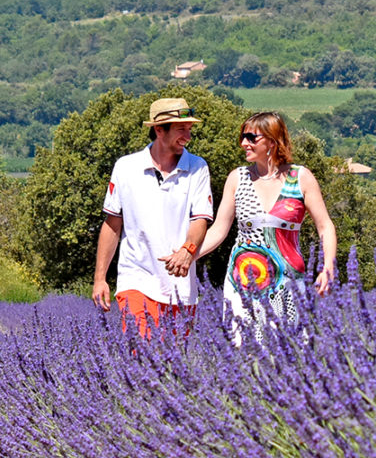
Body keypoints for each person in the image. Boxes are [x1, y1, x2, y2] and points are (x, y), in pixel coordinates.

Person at [198, 111, 337, 341]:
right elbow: (219, 231)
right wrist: (188, 255)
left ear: (273, 141)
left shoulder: (300, 177)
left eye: (252, 138)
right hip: (241, 282)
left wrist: (328, 268)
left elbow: (326, 227)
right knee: (243, 353)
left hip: (288, 282)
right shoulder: (237, 178)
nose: (244, 143)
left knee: (291, 353)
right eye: (243, 137)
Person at [92, 98, 214, 336]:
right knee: (143, 358)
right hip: (136, 279)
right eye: (181, 130)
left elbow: (201, 219)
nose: (188, 137)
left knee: (176, 365)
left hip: (181, 285)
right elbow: (112, 224)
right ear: (159, 130)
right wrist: (100, 278)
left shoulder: (198, 167)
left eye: (189, 130)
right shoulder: (126, 167)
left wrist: (187, 251)